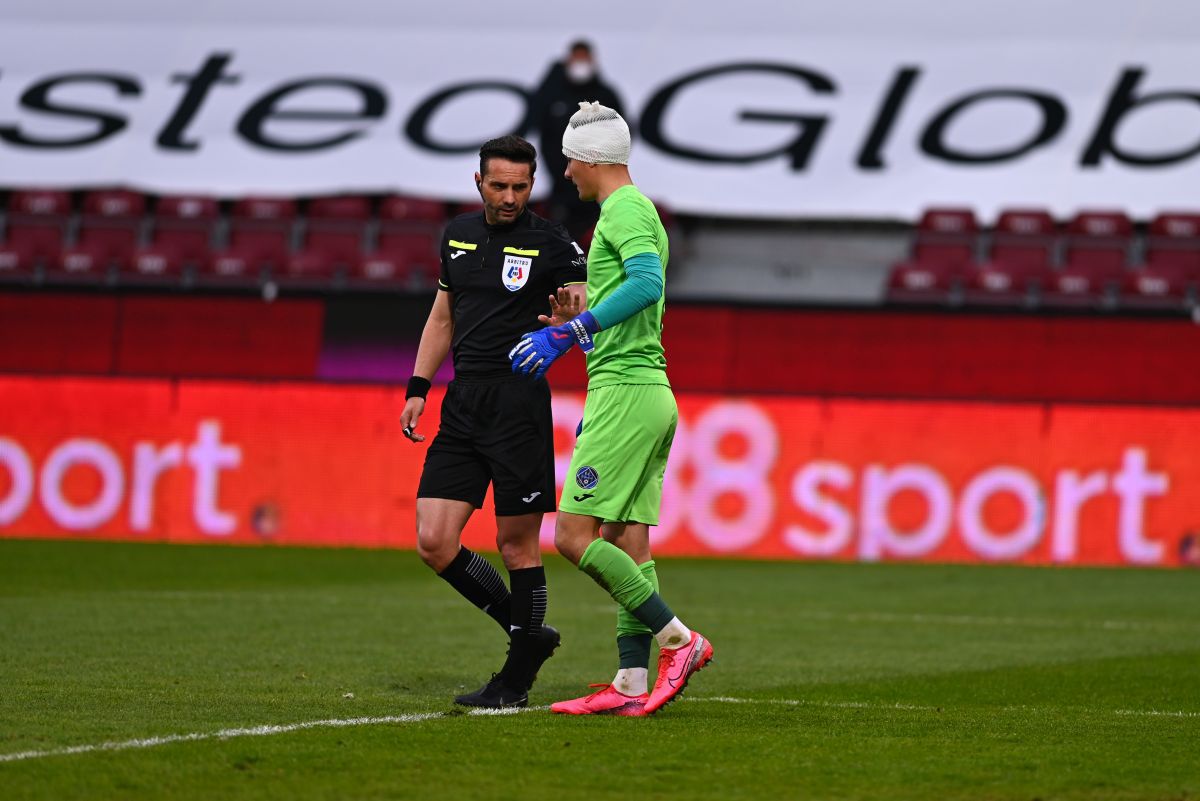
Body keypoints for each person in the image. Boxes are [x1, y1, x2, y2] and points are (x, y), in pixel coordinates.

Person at [509, 102, 713, 716]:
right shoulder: (636, 210)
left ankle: (678, 639)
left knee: (572, 536)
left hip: (627, 393)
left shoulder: (622, 209)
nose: (566, 172)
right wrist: (579, 323)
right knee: (627, 541)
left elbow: (648, 284)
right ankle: (629, 681)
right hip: (641, 388)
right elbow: (633, 304)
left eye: (569, 160)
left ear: (588, 158)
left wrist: (572, 332)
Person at [401, 134, 588, 708]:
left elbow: (583, 299)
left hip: (518, 405)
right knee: (434, 541)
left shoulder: (552, 240)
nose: (510, 197)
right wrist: (418, 388)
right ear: (478, 182)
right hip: (463, 403)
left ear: (533, 185)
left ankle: (516, 677)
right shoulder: (457, 235)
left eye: (521, 187)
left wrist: (570, 313)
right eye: (500, 186)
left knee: (516, 547)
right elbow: (443, 317)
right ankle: (530, 633)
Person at [530, 41, 625, 244]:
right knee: (561, 242)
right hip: (560, 187)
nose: (580, 65)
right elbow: (540, 130)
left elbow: (620, 135)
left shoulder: (606, 95)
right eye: (577, 59)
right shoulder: (552, 94)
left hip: (597, 188)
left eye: (585, 59)